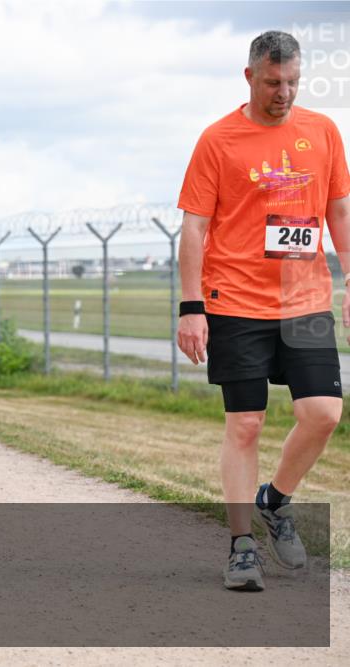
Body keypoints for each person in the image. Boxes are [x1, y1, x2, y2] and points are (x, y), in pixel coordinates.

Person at [177, 31, 349, 592]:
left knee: (323, 412)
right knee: (245, 424)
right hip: (236, 301)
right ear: (249, 77)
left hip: (305, 299)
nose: (285, 92)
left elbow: (340, 213)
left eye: (294, 81)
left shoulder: (322, 132)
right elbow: (195, 229)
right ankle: (242, 545)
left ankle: (275, 500)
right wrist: (191, 307)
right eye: (274, 82)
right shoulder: (218, 139)